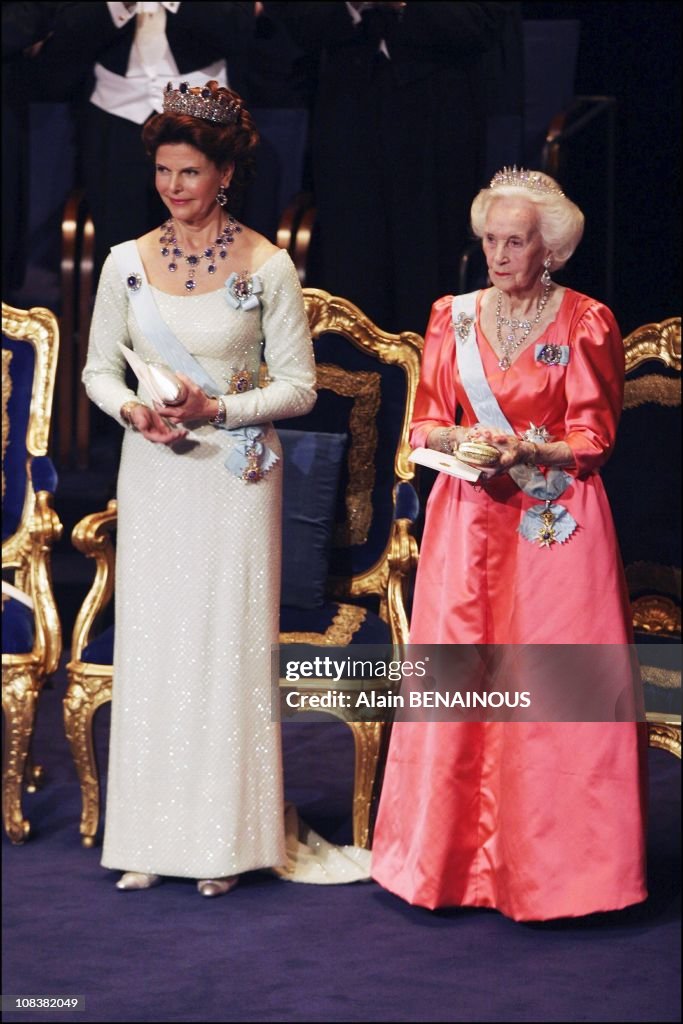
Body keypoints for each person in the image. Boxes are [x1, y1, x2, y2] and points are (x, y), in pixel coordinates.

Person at [370, 167, 648, 921]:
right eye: (489, 239)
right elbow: (424, 424)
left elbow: (593, 436)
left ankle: (565, 877)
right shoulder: (449, 316)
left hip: (553, 522)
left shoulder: (585, 321)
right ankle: (449, 866)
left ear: (547, 248)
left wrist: (534, 453)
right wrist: (461, 438)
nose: (497, 254)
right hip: (465, 516)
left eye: (514, 241)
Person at [82, 80, 319, 896]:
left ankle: (225, 840)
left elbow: (299, 387)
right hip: (154, 470)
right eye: (162, 171)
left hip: (234, 476)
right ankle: (148, 837)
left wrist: (218, 405)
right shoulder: (124, 263)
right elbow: (95, 368)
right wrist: (131, 411)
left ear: (224, 173)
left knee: (223, 650)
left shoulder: (268, 264)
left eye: (188, 172)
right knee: (155, 646)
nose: (173, 187)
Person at [264, 1, 514, 335]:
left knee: (428, 262)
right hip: (345, 112)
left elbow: (480, 22)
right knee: (351, 261)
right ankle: (356, 377)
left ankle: (430, 375)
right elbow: (294, 23)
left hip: (439, 114)